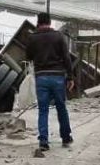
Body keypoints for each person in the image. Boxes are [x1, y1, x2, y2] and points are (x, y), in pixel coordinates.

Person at [26, 12, 74, 151]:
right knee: (61, 108)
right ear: (50, 22)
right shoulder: (58, 36)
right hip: (58, 77)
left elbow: (28, 56)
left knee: (43, 110)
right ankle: (66, 137)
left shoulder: (32, 38)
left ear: (38, 22)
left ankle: (43, 141)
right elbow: (66, 57)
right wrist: (70, 77)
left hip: (41, 77)